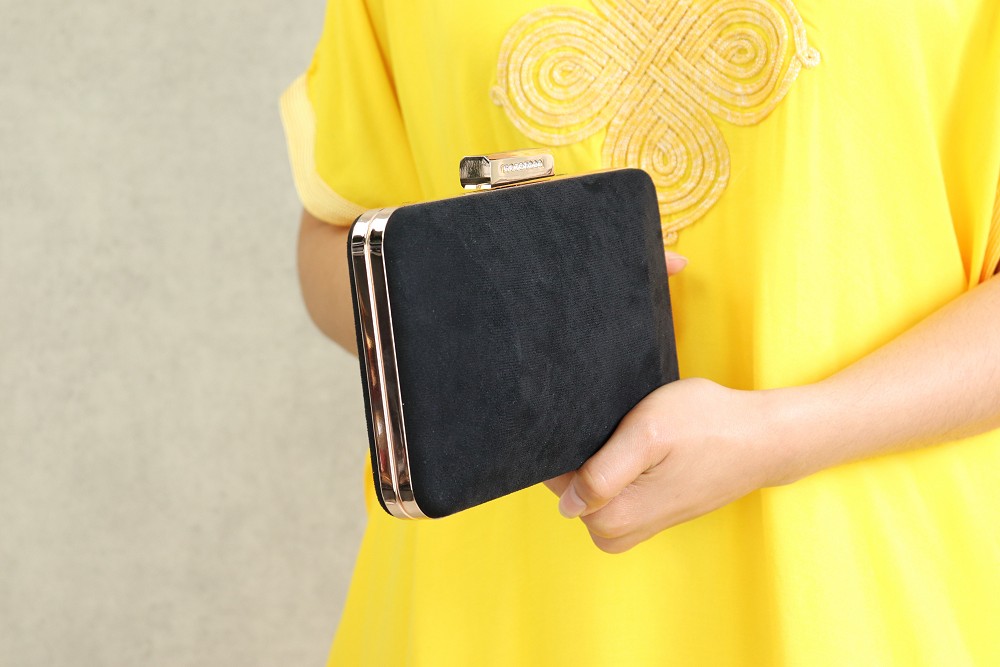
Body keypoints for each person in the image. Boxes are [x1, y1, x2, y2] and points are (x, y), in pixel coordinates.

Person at [281, 0, 1000, 663]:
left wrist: (780, 435)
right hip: (495, 605)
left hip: (859, 595)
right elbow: (334, 239)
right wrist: (493, 319)